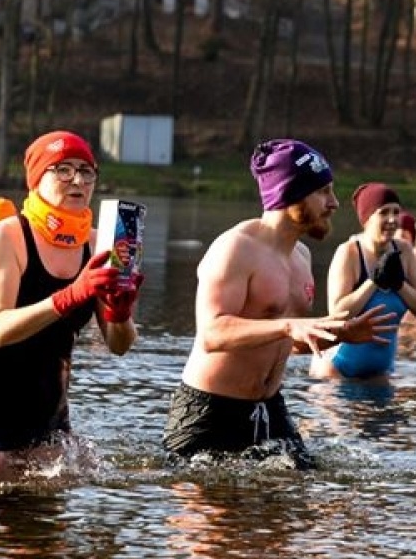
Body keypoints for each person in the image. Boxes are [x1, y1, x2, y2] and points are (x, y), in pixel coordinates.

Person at [162, 138, 397, 467]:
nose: (334, 203)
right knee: (212, 517)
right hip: (209, 410)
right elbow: (212, 334)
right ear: (292, 196)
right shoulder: (235, 249)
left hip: (268, 409)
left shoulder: (301, 256)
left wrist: (339, 333)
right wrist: (291, 325)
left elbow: (289, 342)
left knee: (301, 506)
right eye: (323, 192)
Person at [0, 131, 142, 478]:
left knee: (49, 527)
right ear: (36, 180)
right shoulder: (7, 236)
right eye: (62, 170)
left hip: (47, 409)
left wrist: (120, 313)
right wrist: (70, 295)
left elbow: (119, 345)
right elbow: (0, 329)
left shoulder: (103, 243)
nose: (77, 180)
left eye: (86, 171)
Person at [309, 182, 416, 381]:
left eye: (396, 212)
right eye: (384, 213)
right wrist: (373, 281)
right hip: (337, 370)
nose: (392, 220)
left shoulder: (404, 251)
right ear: (366, 218)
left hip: (381, 372)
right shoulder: (349, 252)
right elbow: (337, 314)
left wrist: (400, 285)